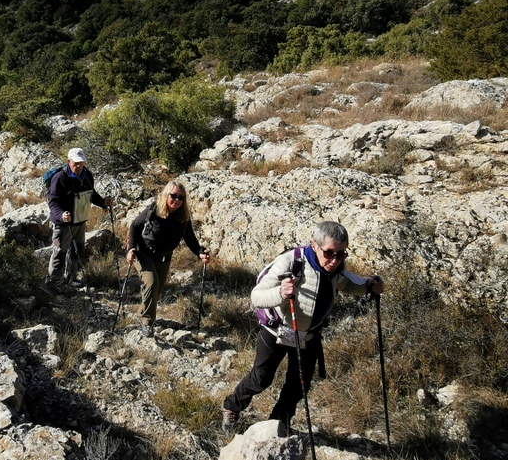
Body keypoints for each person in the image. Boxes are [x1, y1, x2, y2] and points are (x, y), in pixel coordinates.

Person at [221, 220, 384, 431]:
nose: (335, 260)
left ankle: (277, 425)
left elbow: (348, 282)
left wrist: (369, 286)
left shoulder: (335, 268)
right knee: (261, 378)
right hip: (277, 331)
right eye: (330, 253)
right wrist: (280, 293)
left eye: (341, 254)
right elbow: (256, 296)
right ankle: (231, 407)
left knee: (298, 386)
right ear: (314, 245)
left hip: (308, 336)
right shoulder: (290, 262)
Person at [125, 180, 209, 336]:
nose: (177, 200)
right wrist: (130, 248)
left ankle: (141, 313)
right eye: (173, 196)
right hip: (143, 252)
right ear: (166, 195)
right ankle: (147, 323)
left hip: (164, 256)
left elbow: (189, 237)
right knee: (151, 282)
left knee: (157, 289)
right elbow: (134, 226)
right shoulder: (154, 209)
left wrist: (200, 252)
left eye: (181, 197)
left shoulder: (183, 217)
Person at [47, 147, 113, 291]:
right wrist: (61, 215)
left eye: (81, 163)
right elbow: (53, 201)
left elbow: (91, 194)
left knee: (76, 250)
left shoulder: (87, 175)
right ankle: (54, 285)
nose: (79, 166)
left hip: (80, 220)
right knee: (60, 252)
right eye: (76, 163)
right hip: (63, 223)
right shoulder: (60, 178)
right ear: (68, 162)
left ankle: (70, 279)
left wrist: (103, 202)